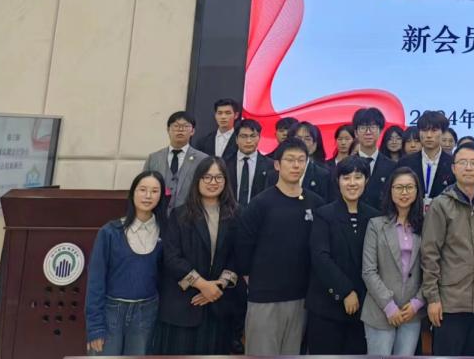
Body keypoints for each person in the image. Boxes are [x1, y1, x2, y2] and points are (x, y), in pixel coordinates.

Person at [235, 137, 326, 355]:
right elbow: (242, 247)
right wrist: (251, 279)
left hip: (301, 297)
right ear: (277, 164)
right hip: (265, 297)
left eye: (301, 160)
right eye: (290, 160)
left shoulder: (316, 203)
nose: (296, 165)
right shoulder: (260, 204)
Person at [421, 142, 474, 355]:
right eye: (462, 163)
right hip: (450, 303)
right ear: (454, 168)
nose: (468, 168)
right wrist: (432, 299)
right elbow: (430, 254)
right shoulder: (441, 204)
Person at [151, 156, 238, 354]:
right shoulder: (180, 214)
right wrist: (202, 285)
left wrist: (217, 286)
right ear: (197, 180)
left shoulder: (236, 214)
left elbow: (237, 257)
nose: (212, 182)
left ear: (225, 181)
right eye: (207, 177)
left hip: (218, 306)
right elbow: (171, 257)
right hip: (183, 306)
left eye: (218, 177)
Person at [85, 171, 166, 356]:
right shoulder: (110, 232)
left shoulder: (165, 232)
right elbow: (95, 282)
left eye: (154, 191)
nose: (148, 196)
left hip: (146, 314)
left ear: (161, 196)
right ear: (133, 193)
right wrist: (95, 327)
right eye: (142, 189)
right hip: (111, 312)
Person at [307, 156, 382, 354]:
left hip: (363, 308)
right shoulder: (324, 214)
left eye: (358, 177)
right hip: (327, 305)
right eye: (346, 177)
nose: (352, 183)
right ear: (338, 180)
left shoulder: (375, 217)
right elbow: (320, 257)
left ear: (366, 180)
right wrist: (346, 291)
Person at [362, 167, 427, 355]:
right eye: (398, 187)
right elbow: (368, 271)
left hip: (411, 312)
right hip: (380, 310)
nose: (404, 192)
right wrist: (389, 306)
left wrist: (417, 303)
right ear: (390, 191)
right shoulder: (376, 225)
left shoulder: (426, 225)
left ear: (417, 191)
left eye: (409, 187)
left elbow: (432, 269)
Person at [144, 111, 207, 209]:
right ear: (168, 130)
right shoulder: (154, 158)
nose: (180, 130)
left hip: (189, 213)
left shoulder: (203, 159)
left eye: (185, 126)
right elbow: (144, 185)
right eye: (176, 126)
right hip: (157, 212)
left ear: (192, 131)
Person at [398, 109, 454, 206]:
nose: (429, 135)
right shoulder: (405, 163)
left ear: (443, 132)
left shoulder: (453, 163)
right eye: (424, 130)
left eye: (434, 130)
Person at [226, 119, 277, 208]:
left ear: (259, 138)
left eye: (253, 136)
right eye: (243, 136)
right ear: (236, 139)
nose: (248, 141)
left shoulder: (270, 165)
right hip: (230, 213)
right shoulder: (225, 163)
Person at [353, 106, 398, 208]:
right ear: (356, 133)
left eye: (373, 127)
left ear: (380, 131)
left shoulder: (392, 167)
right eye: (363, 127)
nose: (368, 132)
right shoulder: (345, 165)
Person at [291, 121, 334, 201]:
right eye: (298, 138)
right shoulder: (277, 171)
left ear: (314, 145)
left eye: (307, 139)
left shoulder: (324, 174)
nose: (302, 142)